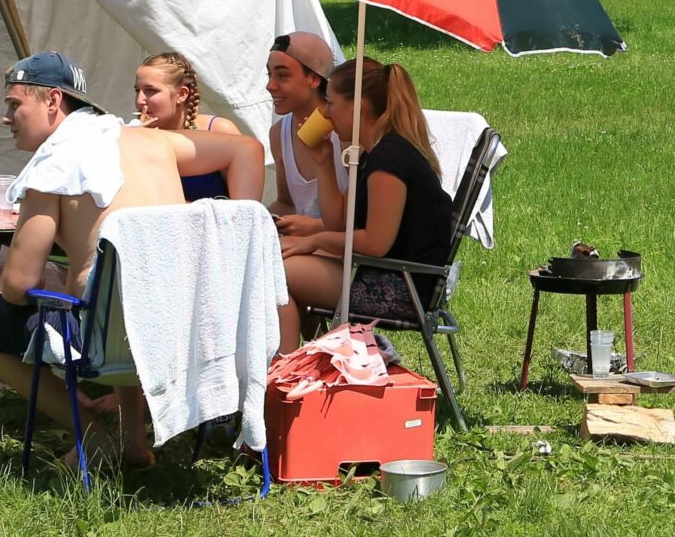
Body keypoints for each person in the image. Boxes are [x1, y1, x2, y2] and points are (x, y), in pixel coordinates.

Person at [0, 52, 267, 469]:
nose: (6, 117)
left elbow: (17, 285)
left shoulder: (52, 167)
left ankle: (91, 436)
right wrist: (238, 225)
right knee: (121, 284)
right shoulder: (153, 140)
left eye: (14, 105)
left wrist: (68, 280)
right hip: (188, 335)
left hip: (105, 348)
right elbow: (248, 148)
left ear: (52, 101)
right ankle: (133, 443)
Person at [280, 57, 454, 323]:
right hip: (380, 272)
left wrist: (316, 241)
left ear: (358, 106)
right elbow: (337, 222)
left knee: (274, 272)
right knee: (277, 262)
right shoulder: (376, 153)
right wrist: (323, 161)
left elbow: (376, 242)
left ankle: (292, 362)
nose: (325, 113)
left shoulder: (389, 159)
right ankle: (305, 360)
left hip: (400, 288)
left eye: (331, 102)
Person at [131, 50, 249, 202]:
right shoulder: (135, 138)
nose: (140, 100)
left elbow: (245, 211)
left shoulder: (218, 130)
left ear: (182, 94)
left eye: (150, 91)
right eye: (137, 90)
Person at [265, 32, 339, 225]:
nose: (270, 85)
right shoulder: (279, 134)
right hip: (299, 246)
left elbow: (362, 219)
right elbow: (286, 203)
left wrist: (314, 230)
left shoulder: (345, 132)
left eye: (282, 75)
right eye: (269, 74)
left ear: (314, 79)